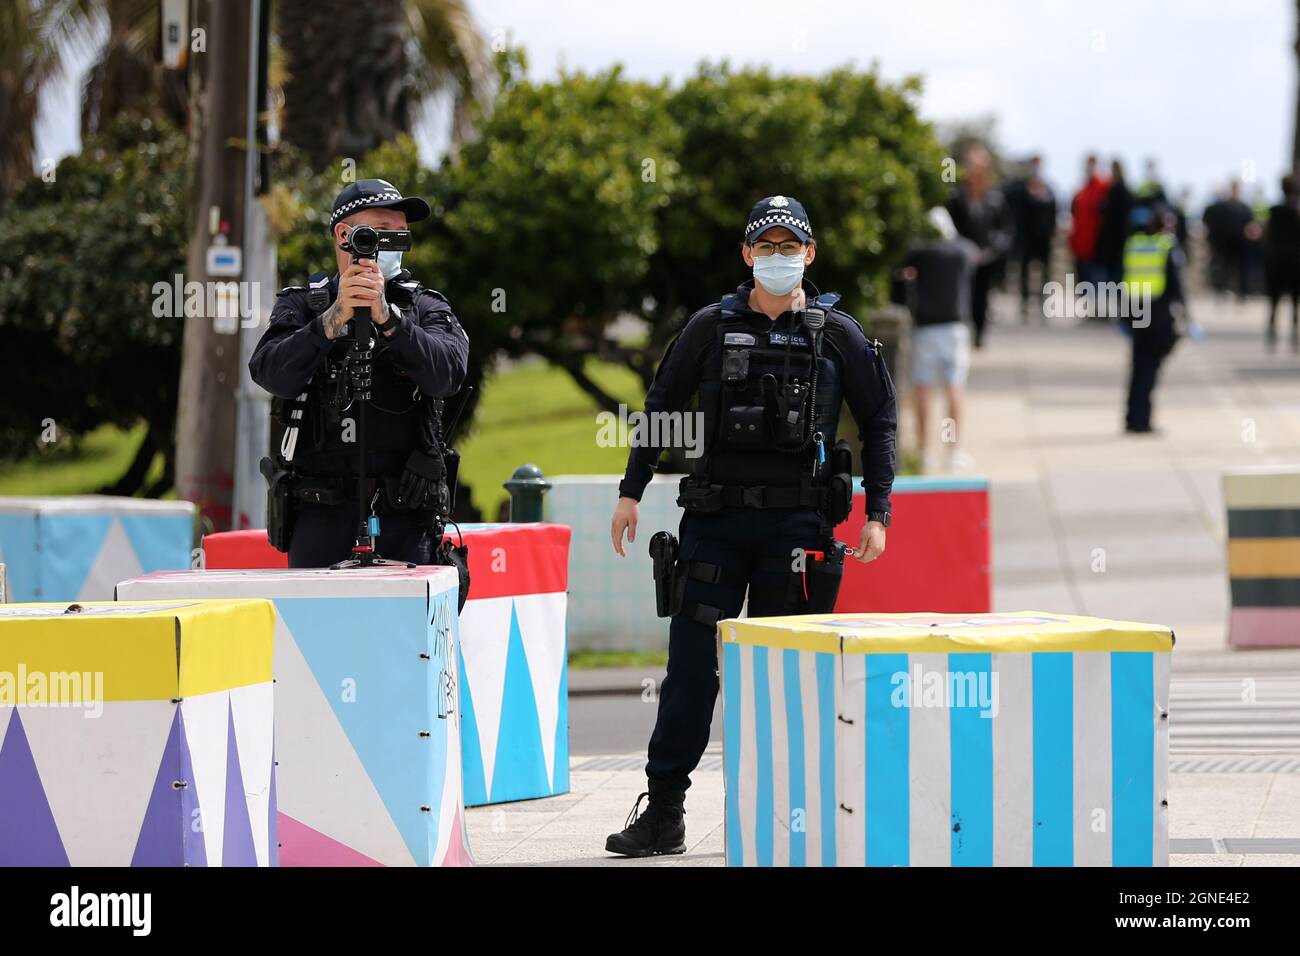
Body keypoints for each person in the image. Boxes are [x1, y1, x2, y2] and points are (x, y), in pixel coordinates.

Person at [604, 195, 897, 857]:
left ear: (809, 255)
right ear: (746, 255)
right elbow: (660, 404)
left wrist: (878, 512)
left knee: (788, 676)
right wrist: (631, 490)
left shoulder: (836, 333)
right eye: (765, 247)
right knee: (689, 674)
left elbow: (880, 418)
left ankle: (787, 814)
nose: (777, 258)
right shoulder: (711, 326)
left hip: (798, 530)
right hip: (715, 525)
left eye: (788, 247)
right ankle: (666, 813)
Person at [249, 179, 470, 578]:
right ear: (344, 235)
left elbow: (448, 375)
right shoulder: (303, 304)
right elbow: (269, 372)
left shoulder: (424, 305)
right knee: (313, 636)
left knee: (407, 639)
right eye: (378, 233)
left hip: (406, 514)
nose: (389, 244)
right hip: (321, 514)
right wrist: (333, 319)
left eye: (399, 234)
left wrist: (389, 319)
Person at [894, 207, 978, 471]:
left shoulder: (920, 252)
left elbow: (897, 270)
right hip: (955, 327)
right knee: (954, 387)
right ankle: (953, 452)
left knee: (923, 388)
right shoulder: (963, 250)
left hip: (926, 327)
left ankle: (924, 452)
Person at [1122, 205, 1183, 434]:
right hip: (1157, 314)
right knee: (1150, 369)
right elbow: (1176, 287)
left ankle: (1131, 417)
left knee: (1137, 367)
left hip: (1137, 312)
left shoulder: (1134, 244)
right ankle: (1142, 420)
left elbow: (1123, 280)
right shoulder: (1166, 247)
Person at [947, 145, 1013, 347]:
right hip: (961, 257)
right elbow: (950, 226)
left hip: (986, 258)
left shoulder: (996, 198)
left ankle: (979, 333)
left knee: (981, 298)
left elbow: (1006, 230)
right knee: (962, 297)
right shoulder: (956, 197)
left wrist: (992, 250)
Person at [1008, 155, 1057, 316]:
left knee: (1045, 272)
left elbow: (1053, 213)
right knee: (1024, 270)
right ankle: (1025, 301)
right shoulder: (1020, 188)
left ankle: (1044, 302)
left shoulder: (1048, 189)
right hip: (1027, 237)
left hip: (1043, 238)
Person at [1264, 173, 1300, 351]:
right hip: (1294, 260)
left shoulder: (1274, 210)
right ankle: (1294, 332)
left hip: (1276, 258)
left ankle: (1272, 329)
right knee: (1295, 300)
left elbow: (1266, 233)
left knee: (1274, 299)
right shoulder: (1296, 210)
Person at [1068, 154, 1110, 303]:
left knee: (1099, 279)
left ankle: (1099, 307)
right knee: (1085, 279)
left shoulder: (1103, 186)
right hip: (1082, 244)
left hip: (1097, 243)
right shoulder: (1082, 190)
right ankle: (1091, 307)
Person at [1097, 159, 1133, 295]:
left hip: (1115, 239)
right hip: (1121, 237)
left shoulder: (1116, 190)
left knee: (1115, 276)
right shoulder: (1124, 189)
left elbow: (1112, 213)